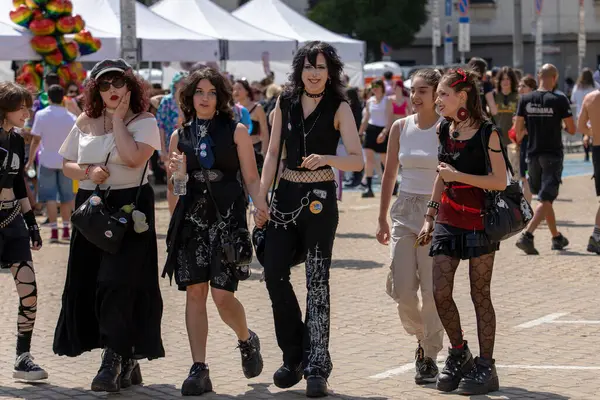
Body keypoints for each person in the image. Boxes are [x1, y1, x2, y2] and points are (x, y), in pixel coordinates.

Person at [255, 41, 363, 398]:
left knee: (317, 281)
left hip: (320, 201)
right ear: (299, 71)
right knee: (273, 274)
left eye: (320, 67)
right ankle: (295, 355)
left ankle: (317, 364)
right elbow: (272, 154)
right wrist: (260, 198)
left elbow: (358, 160)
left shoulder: (340, 107)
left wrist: (329, 159)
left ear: (330, 71)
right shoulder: (283, 103)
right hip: (284, 198)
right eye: (307, 67)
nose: (314, 73)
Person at [53, 59, 165, 392]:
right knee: (90, 283)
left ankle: (113, 359)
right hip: (91, 209)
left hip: (130, 209)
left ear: (131, 86)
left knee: (118, 282)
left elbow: (133, 158)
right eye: (104, 85)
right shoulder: (84, 120)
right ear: (95, 89)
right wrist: (87, 172)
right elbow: (67, 165)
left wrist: (117, 120)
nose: (111, 90)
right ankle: (123, 356)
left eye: (118, 83)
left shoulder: (144, 121)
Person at [162, 68, 268, 396]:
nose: (204, 97)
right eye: (199, 92)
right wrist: (176, 175)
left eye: (210, 91)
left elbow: (251, 177)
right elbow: (175, 195)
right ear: (189, 97)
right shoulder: (179, 136)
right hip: (192, 223)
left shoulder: (236, 130)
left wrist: (260, 205)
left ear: (219, 96)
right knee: (195, 292)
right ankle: (199, 368)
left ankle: (246, 338)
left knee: (223, 297)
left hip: (228, 221)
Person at [423, 67, 508, 395]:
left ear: (463, 96)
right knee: (440, 291)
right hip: (447, 218)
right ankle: (459, 352)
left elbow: (499, 181)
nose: (437, 100)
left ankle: (487, 366)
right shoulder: (444, 129)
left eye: (443, 94)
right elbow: (442, 175)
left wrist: (460, 176)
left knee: (479, 294)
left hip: (479, 222)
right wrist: (430, 216)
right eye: (438, 94)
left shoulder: (488, 132)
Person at [376, 69, 444, 385]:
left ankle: (429, 355)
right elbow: (389, 175)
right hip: (404, 210)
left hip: (437, 212)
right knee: (404, 289)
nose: (415, 97)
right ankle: (422, 337)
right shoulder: (400, 127)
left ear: (436, 94)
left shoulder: (448, 129)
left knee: (431, 292)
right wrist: (380, 217)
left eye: (422, 91)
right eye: (412, 90)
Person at [0, 81, 46, 381]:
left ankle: (22, 358)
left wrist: (31, 225)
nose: (26, 112)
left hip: (13, 222)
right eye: (21, 107)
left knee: (29, 292)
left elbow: (19, 185)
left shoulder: (18, 140)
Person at [514, 64, 576, 255]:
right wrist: (559, 125)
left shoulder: (525, 99)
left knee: (544, 199)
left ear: (539, 76)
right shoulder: (559, 100)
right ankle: (527, 235)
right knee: (546, 198)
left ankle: (556, 237)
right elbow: (572, 129)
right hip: (552, 155)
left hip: (532, 155)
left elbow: (517, 130)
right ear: (555, 78)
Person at [27, 84, 76, 242]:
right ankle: (66, 230)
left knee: (50, 198)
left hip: (47, 160)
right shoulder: (71, 117)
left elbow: (35, 140)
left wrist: (29, 161)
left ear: (48, 97)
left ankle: (54, 231)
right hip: (66, 162)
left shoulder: (41, 115)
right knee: (66, 197)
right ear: (63, 97)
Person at [157, 72, 187, 215]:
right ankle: (173, 215)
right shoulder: (167, 101)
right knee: (172, 182)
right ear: (175, 84)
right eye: (182, 82)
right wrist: (162, 150)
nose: (184, 85)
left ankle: (182, 215)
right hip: (171, 146)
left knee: (183, 181)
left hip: (187, 146)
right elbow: (160, 127)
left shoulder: (189, 101)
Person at [576, 86, 600, 254]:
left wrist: (595, 132)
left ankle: (596, 236)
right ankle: (596, 236)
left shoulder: (590, 98)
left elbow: (581, 127)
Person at [359, 79, 392, 198]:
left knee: (385, 161)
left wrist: (384, 132)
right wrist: (360, 133)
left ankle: (392, 185)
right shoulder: (369, 101)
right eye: (373, 86)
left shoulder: (387, 100)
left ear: (382, 87)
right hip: (370, 131)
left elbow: (389, 119)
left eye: (377, 86)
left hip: (382, 130)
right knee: (369, 160)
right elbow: (366, 119)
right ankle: (369, 188)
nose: (375, 88)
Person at [233, 79, 269, 173]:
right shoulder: (234, 109)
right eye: (234, 89)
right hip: (238, 150)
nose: (236, 92)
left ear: (247, 91)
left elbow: (264, 130)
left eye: (239, 89)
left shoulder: (257, 108)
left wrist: (264, 152)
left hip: (255, 149)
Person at [571, 68, 598, 162]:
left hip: (581, 112)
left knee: (585, 133)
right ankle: (594, 150)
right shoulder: (594, 85)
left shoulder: (577, 87)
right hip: (593, 112)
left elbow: (572, 99)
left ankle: (586, 154)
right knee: (595, 133)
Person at [493, 67, 519, 146]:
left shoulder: (519, 97)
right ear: (499, 81)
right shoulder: (493, 96)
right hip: (496, 140)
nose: (505, 82)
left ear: (512, 80)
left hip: (513, 141)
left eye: (508, 79)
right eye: (502, 79)